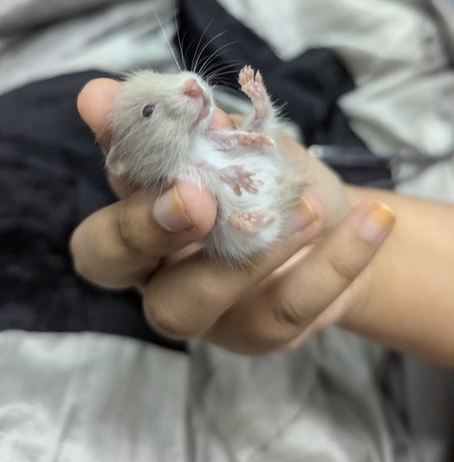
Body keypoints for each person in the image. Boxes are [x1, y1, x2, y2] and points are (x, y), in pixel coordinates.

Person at [70, 77, 454, 367]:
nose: (186, 85)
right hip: (262, 215)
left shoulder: (199, 151)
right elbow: (231, 164)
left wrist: (257, 110)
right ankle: (252, 222)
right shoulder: (178, 176)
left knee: (237, 183)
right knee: (226, 226)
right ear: (126, 158)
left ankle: (254, 220)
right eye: (149, 111)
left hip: (274, 195)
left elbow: (251, 141)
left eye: (163, 74)